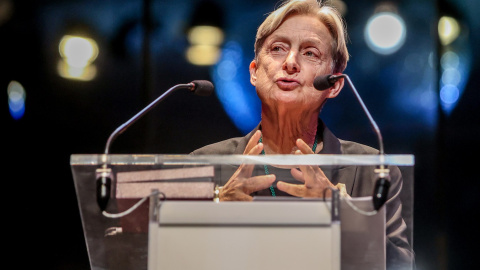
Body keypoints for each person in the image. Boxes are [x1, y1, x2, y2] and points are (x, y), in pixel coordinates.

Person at [191, 0, 414, 268]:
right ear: (254, 72)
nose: (290, 62)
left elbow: (401, 265)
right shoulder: (204, 164)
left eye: (310, 53)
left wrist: (343, 214)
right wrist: (213, 212)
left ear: (334, 84)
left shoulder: (371, 172)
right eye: (277, 49)